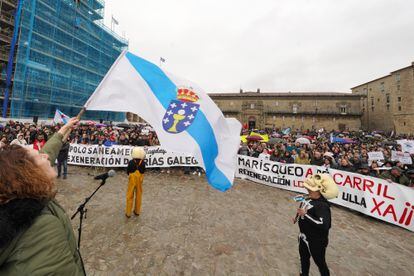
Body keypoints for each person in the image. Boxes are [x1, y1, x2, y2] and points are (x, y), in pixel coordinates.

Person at [0, 117, 84, 275]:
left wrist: (62, 131)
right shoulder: (42, 228)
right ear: (29, 174)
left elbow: (48, 153)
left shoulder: (19, 195)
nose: (45, 156)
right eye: (38, 156)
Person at [296, 173, 339, 276]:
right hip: (303, 236)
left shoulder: (322, 206)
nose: (308, 191)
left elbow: (324, 224)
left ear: (319, 191)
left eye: (310, 190)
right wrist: (297, 217)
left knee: (320, 263)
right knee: (303, 258)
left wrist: (305, 215)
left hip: (316, 241)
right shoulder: (310, 198)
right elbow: (303, 208)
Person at [126, 147, 146, 218]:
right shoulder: (143, 162)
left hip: (132, 179)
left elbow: (128, 171)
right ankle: (137, 211)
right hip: (139, 179)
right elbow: (143, 171)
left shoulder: (131, 162)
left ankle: (128, 213)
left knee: (130, 195)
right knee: (139, 195)